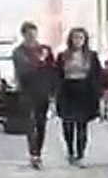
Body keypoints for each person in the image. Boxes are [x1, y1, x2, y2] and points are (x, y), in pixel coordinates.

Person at [55, 27, 102, 167]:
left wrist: (99, 92)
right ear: (70, 39)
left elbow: (97, 74)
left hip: (84, 91)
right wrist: (55, 92)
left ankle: (81, 154)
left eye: (81, 38)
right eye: (75, 38)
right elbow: (57, 75)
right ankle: (70, 150)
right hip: (67, 91)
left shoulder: (91, 56)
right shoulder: (63, 56)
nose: (78, 41)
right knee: (68, 124)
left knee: (82, 125)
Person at [12, 21, 57, 169]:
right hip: (27, 91)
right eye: (29, 34)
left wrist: (53, 91)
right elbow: (23, 70)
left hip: (43, 91)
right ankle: (34, 154)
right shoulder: (19, 52)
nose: (32, 37)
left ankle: (39, 151)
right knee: (30, 123)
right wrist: (39, 61)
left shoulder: (45, 49)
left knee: (41, 123)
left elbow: (52, 70)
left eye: (34, 34)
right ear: (24, 35)